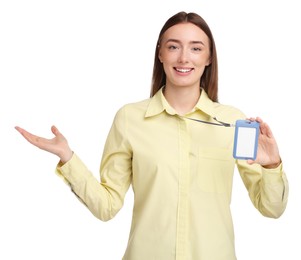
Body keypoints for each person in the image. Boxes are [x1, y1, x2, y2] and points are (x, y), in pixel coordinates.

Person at [15, 11, 288, 260]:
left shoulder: (234, 121)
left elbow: (271, 208)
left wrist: (272, 165)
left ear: (208, 58)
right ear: (160, 54)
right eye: (173, 46)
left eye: (196, 48)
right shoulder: (130, 119)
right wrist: (67, 157)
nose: (184, 57)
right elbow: (107, 206)